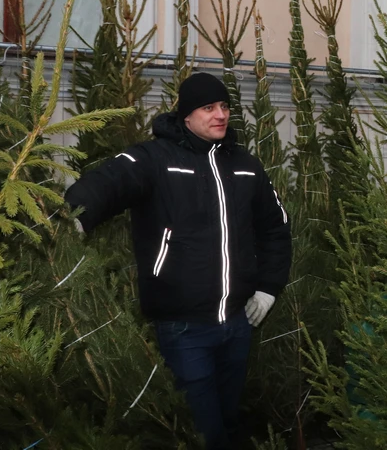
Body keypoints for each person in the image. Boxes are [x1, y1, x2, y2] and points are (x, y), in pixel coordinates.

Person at [65, 71, 292, 449]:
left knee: (230, 419)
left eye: (224, 106)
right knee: (202, 431)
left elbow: (276, 229)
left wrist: (268, 289)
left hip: (237, 324)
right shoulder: (156, 159)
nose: (220, 114)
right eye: (208, 108)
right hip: (184, 327)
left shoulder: (245, 166)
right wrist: (72, 215)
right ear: (186, 115)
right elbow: (109, 180)